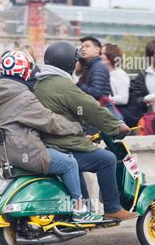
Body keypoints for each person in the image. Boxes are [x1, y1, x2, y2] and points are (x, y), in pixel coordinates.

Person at [0, 50, 102, 222]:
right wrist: (76, 127)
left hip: (3, 153)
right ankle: (80, 210)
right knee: (69, 163)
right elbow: (49, 121)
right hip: (24, 151)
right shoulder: (22, 96)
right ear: (24, 71)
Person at [34, 42, 138, 221]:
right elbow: (91, 107)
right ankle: (112, 208)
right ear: (68, 62)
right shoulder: (63, 85)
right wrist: (115, 125)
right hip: (61, 146)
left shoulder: (40, 83)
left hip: (50, 143)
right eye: (75, 60)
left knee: (80, 161)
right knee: (107, 159)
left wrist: (81, 135)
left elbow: (60, 117)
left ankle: (84, 210)